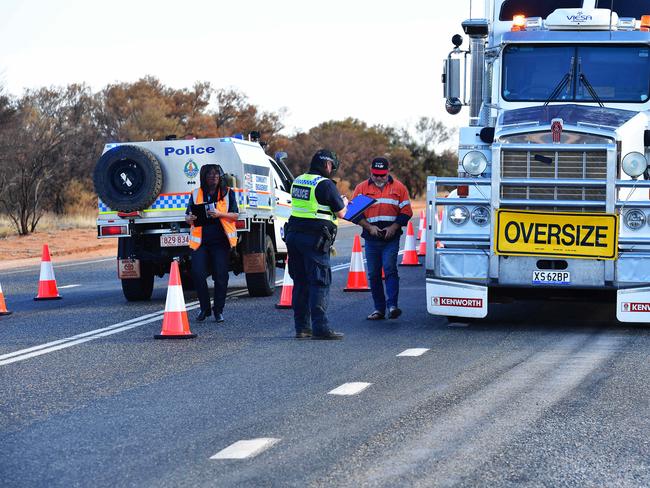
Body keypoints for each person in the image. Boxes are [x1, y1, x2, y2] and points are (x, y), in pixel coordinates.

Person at [286, 149, 348, 340]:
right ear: (327, 165)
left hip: (294, 236)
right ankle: (320, 328)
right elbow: (341, 213)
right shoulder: (325, 184)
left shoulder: (298, 180)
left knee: (301, 282)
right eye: (332, 166)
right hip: (314, 240)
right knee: (320, 283)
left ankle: (302, 328)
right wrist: (344, 201)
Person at [352, 157, 413, 320]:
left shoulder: (399, 188)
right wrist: (369, 227)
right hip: (371, 238)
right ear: (370, 172)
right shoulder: (362, 188)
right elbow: (354, 214)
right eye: (376, 175)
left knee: (389, 269)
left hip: (390, 238)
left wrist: (393, 227)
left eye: (382, 175)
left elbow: (407, 212)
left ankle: (392, 306)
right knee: (373, 274)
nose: (379, 178)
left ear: (388, 172)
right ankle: (379, 309)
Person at [185, 164, 239, 323]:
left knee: (221, 276)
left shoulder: (228, 193)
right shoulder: (196, 194)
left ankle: (218, 311)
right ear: (204, 177)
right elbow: (187, 215)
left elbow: (235, 215)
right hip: (200, 242)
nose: (214, 177)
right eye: (210, 174)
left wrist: (219, 214)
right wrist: (188, 218)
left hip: (220, 241)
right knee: (198, 273)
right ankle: (205, 308)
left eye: (216, 174)